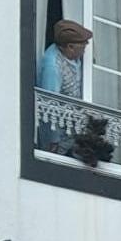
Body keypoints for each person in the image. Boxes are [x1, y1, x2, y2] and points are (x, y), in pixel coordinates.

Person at [35, 19, 92, 152]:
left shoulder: (73, 55)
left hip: (74, 125)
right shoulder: (53, 67)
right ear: (70, 47)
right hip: (60, 135)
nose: (86, 45)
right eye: (82, 44)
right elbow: (49, 105)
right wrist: (53, 141)